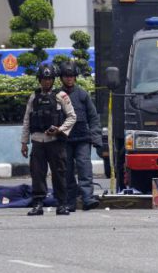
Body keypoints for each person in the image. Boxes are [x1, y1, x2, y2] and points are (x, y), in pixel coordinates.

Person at [20, 64, 77, 216]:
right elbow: (27, 120)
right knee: (37, 174)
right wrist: (24, 142)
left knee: (59, 174)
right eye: (44, 79)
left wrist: (60, 129)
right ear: (39, 80)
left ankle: (62, 204)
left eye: (50, 79)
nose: (47, 82)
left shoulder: (61, 96)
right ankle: (38, 204)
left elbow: (72, 116)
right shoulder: (34, 97)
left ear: (53, 80)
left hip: (55, 142)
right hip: (38, 141)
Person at [59, 61, 101, 212]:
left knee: (84, 168)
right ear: (61, 78)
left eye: (71, 76)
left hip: (83, 138)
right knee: (67, 171)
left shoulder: (82, 94)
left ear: (75, 77)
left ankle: (87, 198)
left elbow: (93, 118)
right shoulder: (57, 96)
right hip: (64, 140)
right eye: (66, 76)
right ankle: (70, 201)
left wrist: (96, 139)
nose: (69, 78)